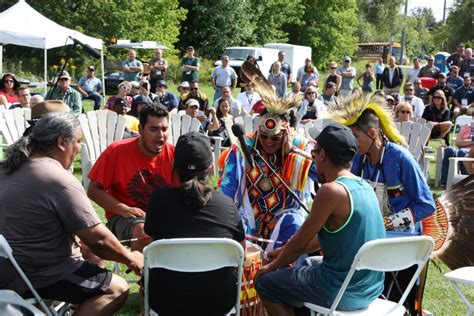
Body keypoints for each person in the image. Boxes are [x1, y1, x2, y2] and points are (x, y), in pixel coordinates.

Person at [0, 113, 143, 314]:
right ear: (61, 142)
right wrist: (131, 258)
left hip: (8, 269)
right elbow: (99, 241)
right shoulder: (58, 180)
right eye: (77, 142)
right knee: (116, 289)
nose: (78, 149)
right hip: (39, 274)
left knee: (89, 257)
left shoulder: (7, 168)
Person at [254, 123, 386, 315]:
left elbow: (299, 244)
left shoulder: (331, 191)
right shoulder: (364, 186)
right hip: (369, 290)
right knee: (307, 264)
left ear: (322, 155)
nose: (313, 159)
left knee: (265, 283)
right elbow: (315, 240)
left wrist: (271, 266)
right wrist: (283, 253)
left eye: (314, 153)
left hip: (342, 291)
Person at [327, 94, 435, 316]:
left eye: (355, 136)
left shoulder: (400, 158)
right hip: (372, 241)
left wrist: (387, 222)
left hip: (403, 244)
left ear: (373, 133)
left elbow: (426, 205)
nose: (352, 143)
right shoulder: (358, 159)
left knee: (398, 303)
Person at [144, 132, 245, 314]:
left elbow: (150, 237)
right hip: (219, 303)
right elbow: (241, 253)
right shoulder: (226, 204)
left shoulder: (158, 199)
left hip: (166, 302)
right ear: (212, 168)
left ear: (174, 167)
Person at [219, 67, 316, 251]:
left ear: (286, 132)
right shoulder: (242, 148)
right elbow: (227, 190)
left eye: (275, 138)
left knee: (294, 224)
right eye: (264, 136)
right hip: (249, 217)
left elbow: (324, 175)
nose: (269, 142)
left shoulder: (299, 146)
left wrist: (291, 152)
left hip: (285, 219)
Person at [87, 104, 176, 252]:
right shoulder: (117, 151)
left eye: (164, 129)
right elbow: (93, 190)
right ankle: (146, 273)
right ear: (140, 130)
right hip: (125, 217)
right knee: (144, 232)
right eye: (153, 129)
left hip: (165, 215)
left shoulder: (175, 154)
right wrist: (123, 209)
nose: (160, 135)